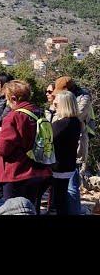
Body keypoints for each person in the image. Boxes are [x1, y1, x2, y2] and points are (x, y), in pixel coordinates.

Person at [0, 80, 51, 214]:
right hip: (39, 169)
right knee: (31, 209)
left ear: (13, 98)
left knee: (13, 210)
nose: (7, 103)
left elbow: (3, 148)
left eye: (7, 99)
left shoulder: (13, 117)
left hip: (16, 172)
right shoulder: (39, 112)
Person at [53, 75, 93, 215]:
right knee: (64, 192)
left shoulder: (84, 98)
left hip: (76, 148)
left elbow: (76, 116)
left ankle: (74, 211)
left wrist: (58, 118)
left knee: (71, 187)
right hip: (68, 149)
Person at [49, 90, 82, 215]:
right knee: (62, 199)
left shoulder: (61, 124)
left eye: (56, 104)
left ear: (64, 105)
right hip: (68, 166)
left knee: (60, 202)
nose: (54, 106)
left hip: (58, 167)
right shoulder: (76, 122)